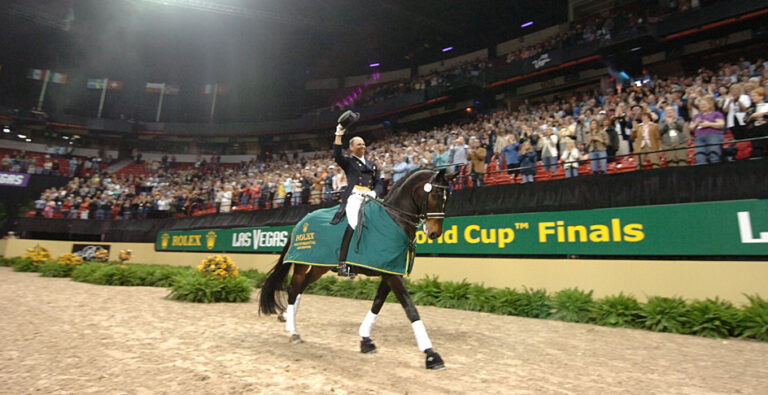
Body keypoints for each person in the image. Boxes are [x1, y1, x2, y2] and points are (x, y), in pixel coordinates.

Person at [331, 116, 385, 277]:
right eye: (358, 144)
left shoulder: (373, 165)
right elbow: (337, 155)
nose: (362, 146)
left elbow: (379, 183)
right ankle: (342, 264)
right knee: (354, 223)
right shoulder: (348, 162)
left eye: (363, 143)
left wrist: (374, 192)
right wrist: (339, 133)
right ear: (352, 148)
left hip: (370, 197)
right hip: (354, 197)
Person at [690, 95, 725, 164]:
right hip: (699, 138)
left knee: (714, 155)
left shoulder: (716, 114)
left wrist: (709, 124)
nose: (702, 106)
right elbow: (691, 128)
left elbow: (721, 124)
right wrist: (695, 123)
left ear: (710, 105)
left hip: (713, 136)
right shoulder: (696, 116)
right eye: (701, 105)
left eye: (704, 104)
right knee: (699, 157)